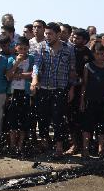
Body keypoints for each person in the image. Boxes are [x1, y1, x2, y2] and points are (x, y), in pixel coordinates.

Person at [31, 22, 75, 156]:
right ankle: (44, 143)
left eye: (50, 34)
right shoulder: (41, 46)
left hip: (60, 88)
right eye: (46, 34)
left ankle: (59, 147)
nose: (47, 36)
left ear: (57, 34)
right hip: (43, 88)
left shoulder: (69, 48)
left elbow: (72, 70)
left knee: (58, 118)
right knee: (43, 117)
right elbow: (36, 66)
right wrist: (34, 80)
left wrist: (72, 88)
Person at [80, 42, 104, 157]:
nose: (100, 56)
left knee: (102, 126)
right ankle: (85, 150)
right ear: (93, 54)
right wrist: (82, 100)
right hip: (90, 100)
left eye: (102, 54)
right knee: (87, 126)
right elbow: (84, 85)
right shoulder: (88, 66)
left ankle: (101, 148)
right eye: (97, 54)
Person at [5, 36, 35, 156]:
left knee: (24, 120)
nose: (22, 50)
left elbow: (34, 73)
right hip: (13, 92)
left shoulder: (31, 58)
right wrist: (17, 62)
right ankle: (12, 145)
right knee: (12, 120)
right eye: (20, 48)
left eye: (24, 48)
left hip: (26, 92)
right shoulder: (11, 59)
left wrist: (21, 75)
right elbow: (8, 75)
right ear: (16, 48)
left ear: (28, 48)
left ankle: (20, 145)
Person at [67, 28, 92, 154]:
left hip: (83, 91)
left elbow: (89, 75)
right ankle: (74, 144)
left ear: (85, 40)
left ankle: (85, 146)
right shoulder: (68, 50)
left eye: (78, 38)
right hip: (69, 88)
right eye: (73, 37)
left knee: (83, 119)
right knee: (70, 119)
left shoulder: (89, 54)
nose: (74, 40)